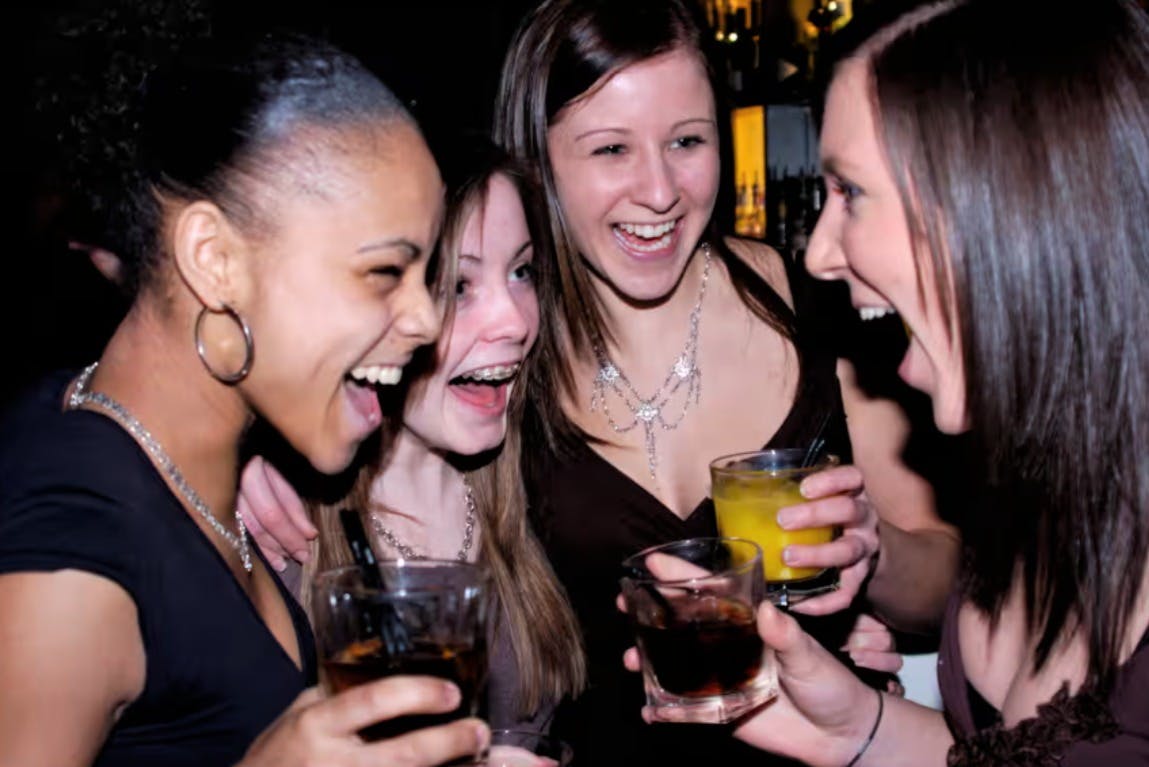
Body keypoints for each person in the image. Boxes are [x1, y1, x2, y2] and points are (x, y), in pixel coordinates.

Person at [0, 33, 490, 766]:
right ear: (215, 259)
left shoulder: (195, 469)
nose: (425, 319)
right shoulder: (73, 550)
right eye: (387, 271)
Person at [491, 0, 957, 762]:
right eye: (610, 149)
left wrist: (870, 551)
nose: (659, 191)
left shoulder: (816, 306)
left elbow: (947, 586)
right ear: (537, 161)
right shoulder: (498, 344)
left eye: (686, 141)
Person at [690, 0, 1149, 763]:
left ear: (1003, 207)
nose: (819, 254)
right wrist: (859, 727)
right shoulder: (1033, 495)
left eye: (851, 193)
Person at [240, 137, 587, 732]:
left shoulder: (548, 492)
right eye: (457, 285)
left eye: (522, 271)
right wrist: (234, 450)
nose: (514, 321)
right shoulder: (282, 534)